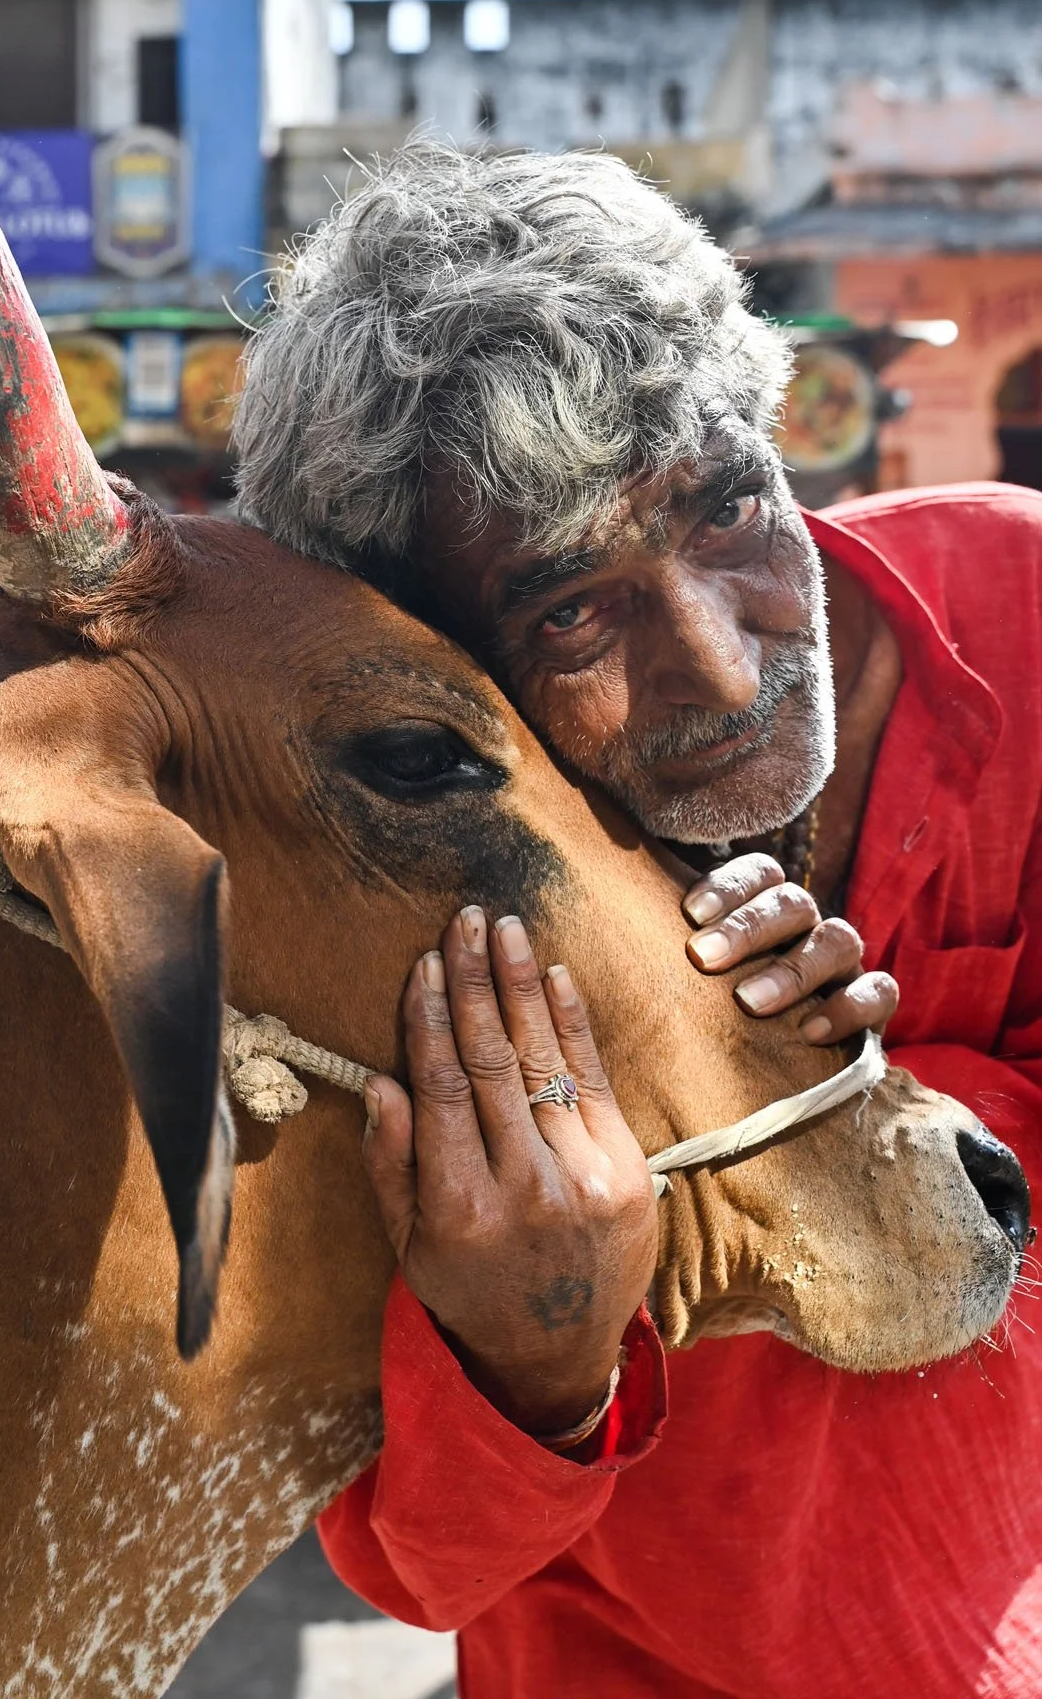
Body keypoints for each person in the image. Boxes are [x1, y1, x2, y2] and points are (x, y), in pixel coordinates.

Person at [232, 146, 1042, 1699]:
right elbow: (413, 1572)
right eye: (566, 611)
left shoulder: (1021, 609)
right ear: (424, 661)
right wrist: (533, 1352)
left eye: (729, 507)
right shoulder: (395, 919)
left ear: (778, 427)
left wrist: (855, 1089)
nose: (722, 672)